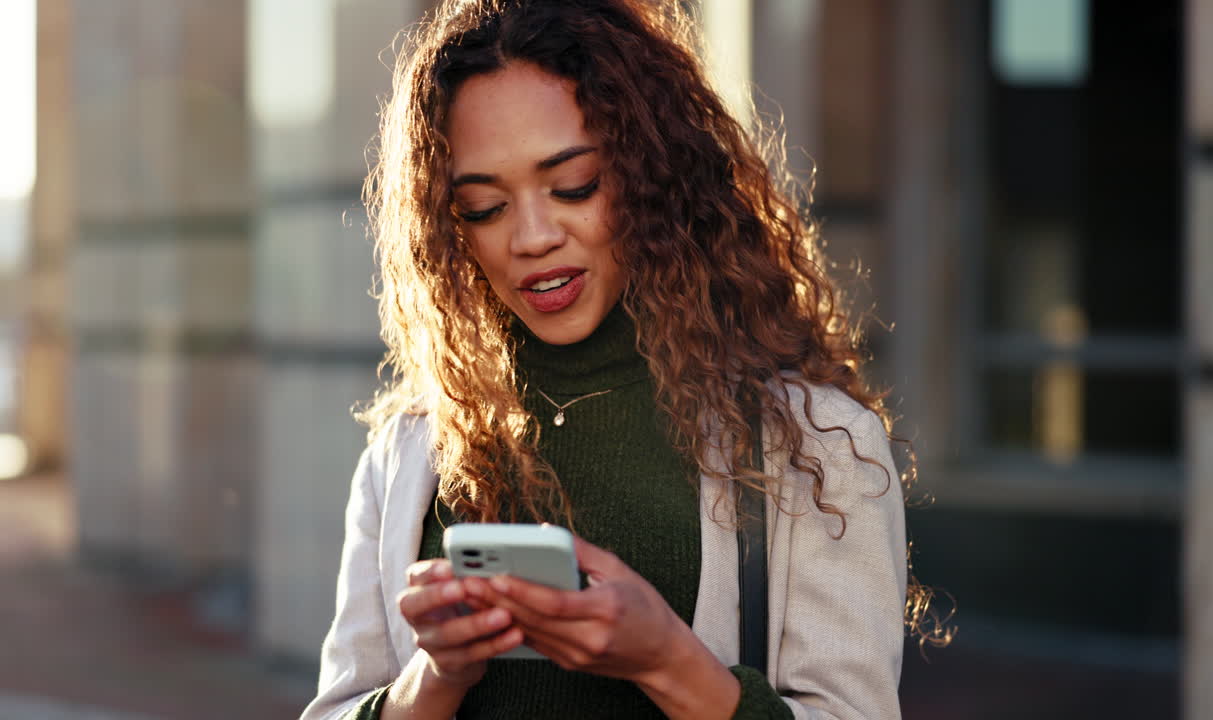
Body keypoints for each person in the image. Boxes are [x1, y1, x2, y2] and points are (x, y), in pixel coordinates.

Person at [301, 1, 943, 718]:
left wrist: (666, 660)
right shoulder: (410, 454)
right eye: (484, 207)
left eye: (573, 185)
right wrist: (438, 675)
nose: (533, 237)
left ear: (651, 176)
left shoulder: (820, 444)